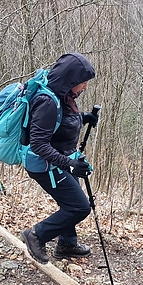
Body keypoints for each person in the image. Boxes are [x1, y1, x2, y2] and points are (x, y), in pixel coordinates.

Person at [20, 52, 98, 264]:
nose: (85, 87)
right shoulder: (47, 102)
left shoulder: (62, 95)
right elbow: (38, 144)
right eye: (82, 82)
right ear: (70, 80)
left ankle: (66, 243)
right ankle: (36, 235)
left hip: (58, 161)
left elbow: (61, 124)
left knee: (70, 201)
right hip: (45, 166)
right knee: (79, 207)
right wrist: (70, 164)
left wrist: (83, 118)